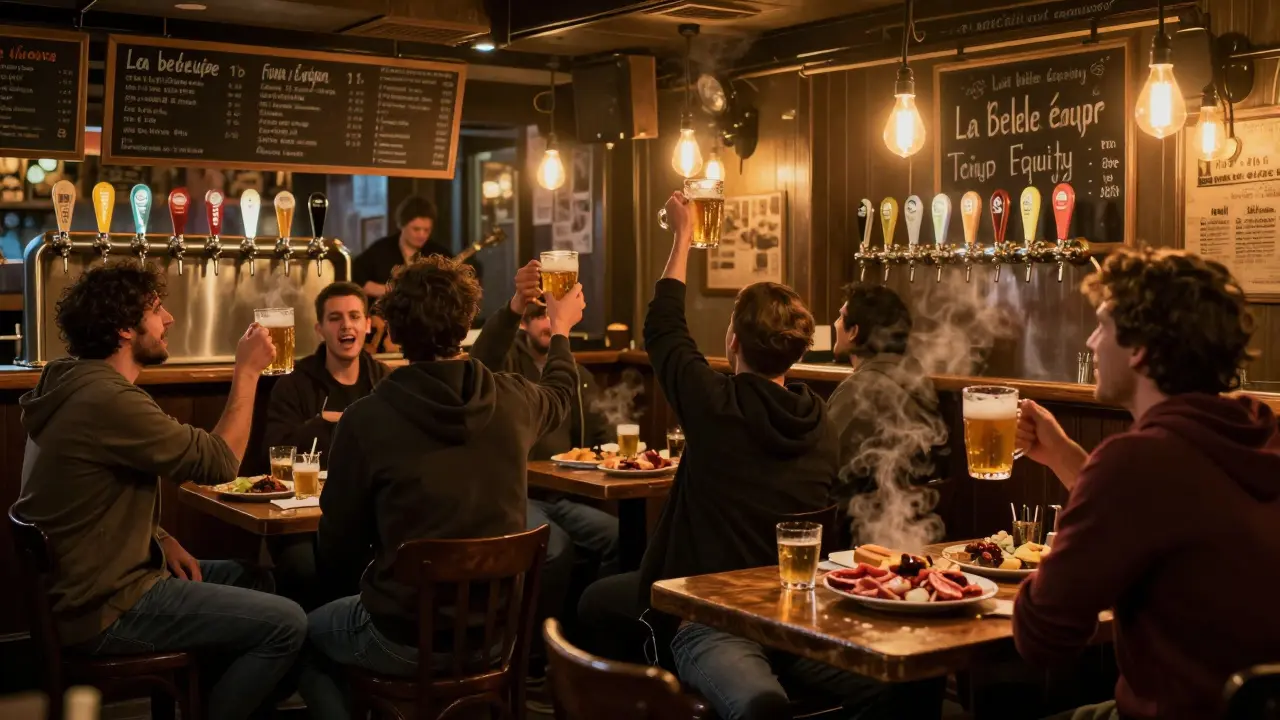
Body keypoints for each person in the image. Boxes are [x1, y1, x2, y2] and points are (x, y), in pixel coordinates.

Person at [580, 191, 930, 720]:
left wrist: (682, 237)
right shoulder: (821, 420)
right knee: (905, 683)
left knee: (754, 702)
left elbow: (663, 328)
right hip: (798, 612)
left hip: (715, 616)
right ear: (798, 349)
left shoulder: (715, 407)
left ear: (733, 342)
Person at [13, 261, 307, 720]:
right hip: (107, 606)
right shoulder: (107, 400)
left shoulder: (73, 381)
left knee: (255, 579)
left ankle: (209, 702)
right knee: (288, 623)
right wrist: (247, 372)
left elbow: (90, 498)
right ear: (123, 328)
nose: (168, 318)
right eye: (155, 309)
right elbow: (219, 463)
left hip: (85, 588)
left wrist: (161, 537)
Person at [298, 255, 586, 720]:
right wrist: (562, 330)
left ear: (391, 332)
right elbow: (559, 391)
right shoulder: (512, 401)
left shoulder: (365, 419)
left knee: (298, 637)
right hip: (498, 639)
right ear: (465, 325)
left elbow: (338, 548)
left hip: (403, 639)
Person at [1013, 248, 1280, 720]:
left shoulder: (1137, 462)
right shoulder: (1261, 434)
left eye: (1102, 326)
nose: (1091, 341)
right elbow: (1163, 507)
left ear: (1139, 349)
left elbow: (1044, 635)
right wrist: (1064, 457)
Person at [470, 260, 618, 618]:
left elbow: (602, 433)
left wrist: (611, 453)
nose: (548, 321)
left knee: (619, 536)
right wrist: (516, 303)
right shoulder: (505, 368)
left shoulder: (578, 375)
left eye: (553, 314)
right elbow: (480, 358)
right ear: (525, 322)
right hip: (519, 495)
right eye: (539, 314)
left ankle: (589, 627)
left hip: (566, 494)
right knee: (555, 547)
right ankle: (537, 642)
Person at [827, 283, 948, 546]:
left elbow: (828, 468)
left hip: (858, 538)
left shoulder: (860, 391)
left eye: (840, 317)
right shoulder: (916, 380)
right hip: (910, 533)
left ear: (854, 332)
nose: (835, 323)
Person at [263, 281, 391, 467]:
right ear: (320, 330)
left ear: (367, 325)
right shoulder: (293, 384)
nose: (346, 325)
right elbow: (275, 453)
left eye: (354, 316)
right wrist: (322, 424)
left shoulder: (385, 380)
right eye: (335, 318)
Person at [352, 195, 481, 300]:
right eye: (416, 229)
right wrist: (396, 291)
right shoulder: (380, 250)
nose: (422, 235)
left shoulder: (438, 253)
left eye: (427, 230)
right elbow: (358, 282)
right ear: (401, 225)